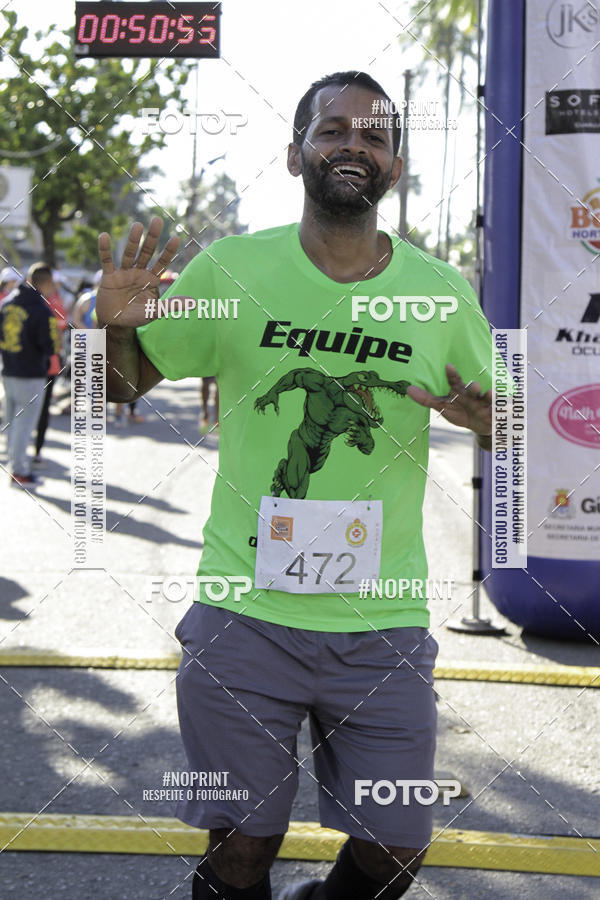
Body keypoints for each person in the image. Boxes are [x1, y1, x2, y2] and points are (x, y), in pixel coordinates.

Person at [97, 71, 494, 900]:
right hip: (245, 615)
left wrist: (492, 421)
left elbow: (512, 422)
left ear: (395, 169)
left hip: (381, 623)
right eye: (333, 129)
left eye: (376, 136)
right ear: (295, 155)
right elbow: (118, 389)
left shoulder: (444, 296)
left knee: (398, 850)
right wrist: (112, 330)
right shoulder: (231, 271)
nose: (355, 143)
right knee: (242, 843)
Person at [0, 262, 60, 486]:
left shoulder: (7, 303)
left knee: (12, 423)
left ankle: (14, 465)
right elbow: (50, 346)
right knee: (24, 425)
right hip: (31, 374)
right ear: (45, 282)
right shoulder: (41, 308)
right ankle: (19, 472)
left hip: (8, 370)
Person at [33, 267, 68, 465]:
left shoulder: (47, 300)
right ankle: (35, 454)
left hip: (33, 364)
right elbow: (62, 324)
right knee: (41, 410)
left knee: (30, 411)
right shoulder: (50, 302)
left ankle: (24, 455)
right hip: (48, 363)